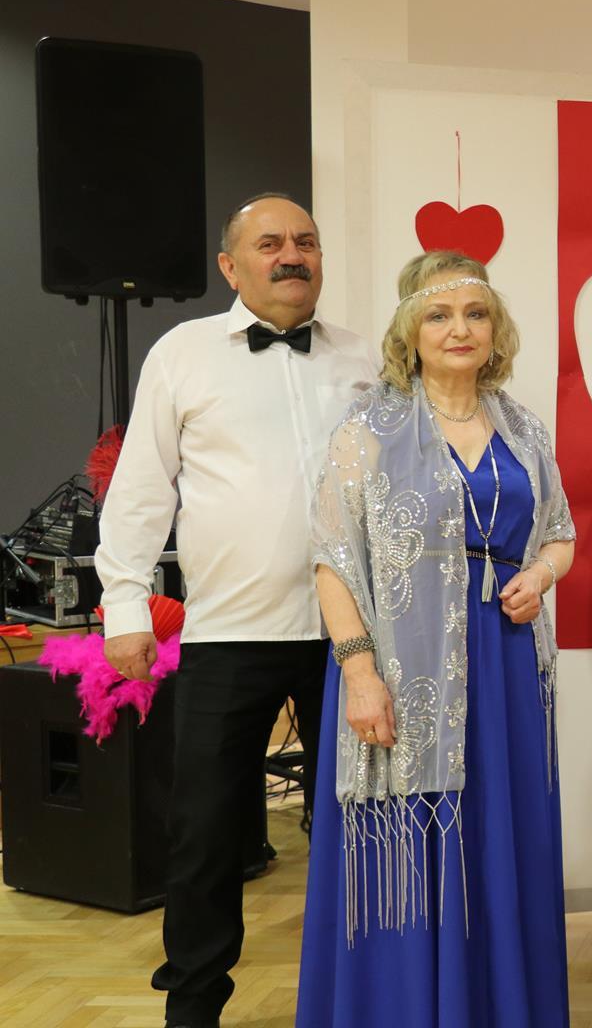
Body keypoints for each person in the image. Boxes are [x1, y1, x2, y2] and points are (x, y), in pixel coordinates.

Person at [95, 192, 376, 1028]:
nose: (292, 256)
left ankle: (361, 997)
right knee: (207, 834)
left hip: (352, 640)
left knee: (360, 830)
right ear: (230, 265)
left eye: (306, 242)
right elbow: (141, 490)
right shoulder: (181, 354)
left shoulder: (365, 358)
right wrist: (124, 606)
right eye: (270, 243)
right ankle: (194, 1005)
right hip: (229, 634)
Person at [296, 251, 576, 1025]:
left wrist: (541, 574)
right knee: (407, 850)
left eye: (475, 314)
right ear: (410, 332)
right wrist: (359, 673)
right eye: (440, 315)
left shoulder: (524, 427)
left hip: (505, 668)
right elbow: (332, 559)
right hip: (400, 668)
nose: (460, 329)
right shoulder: (370, 428)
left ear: (496, 329)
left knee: (497, 844)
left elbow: (560, 533)